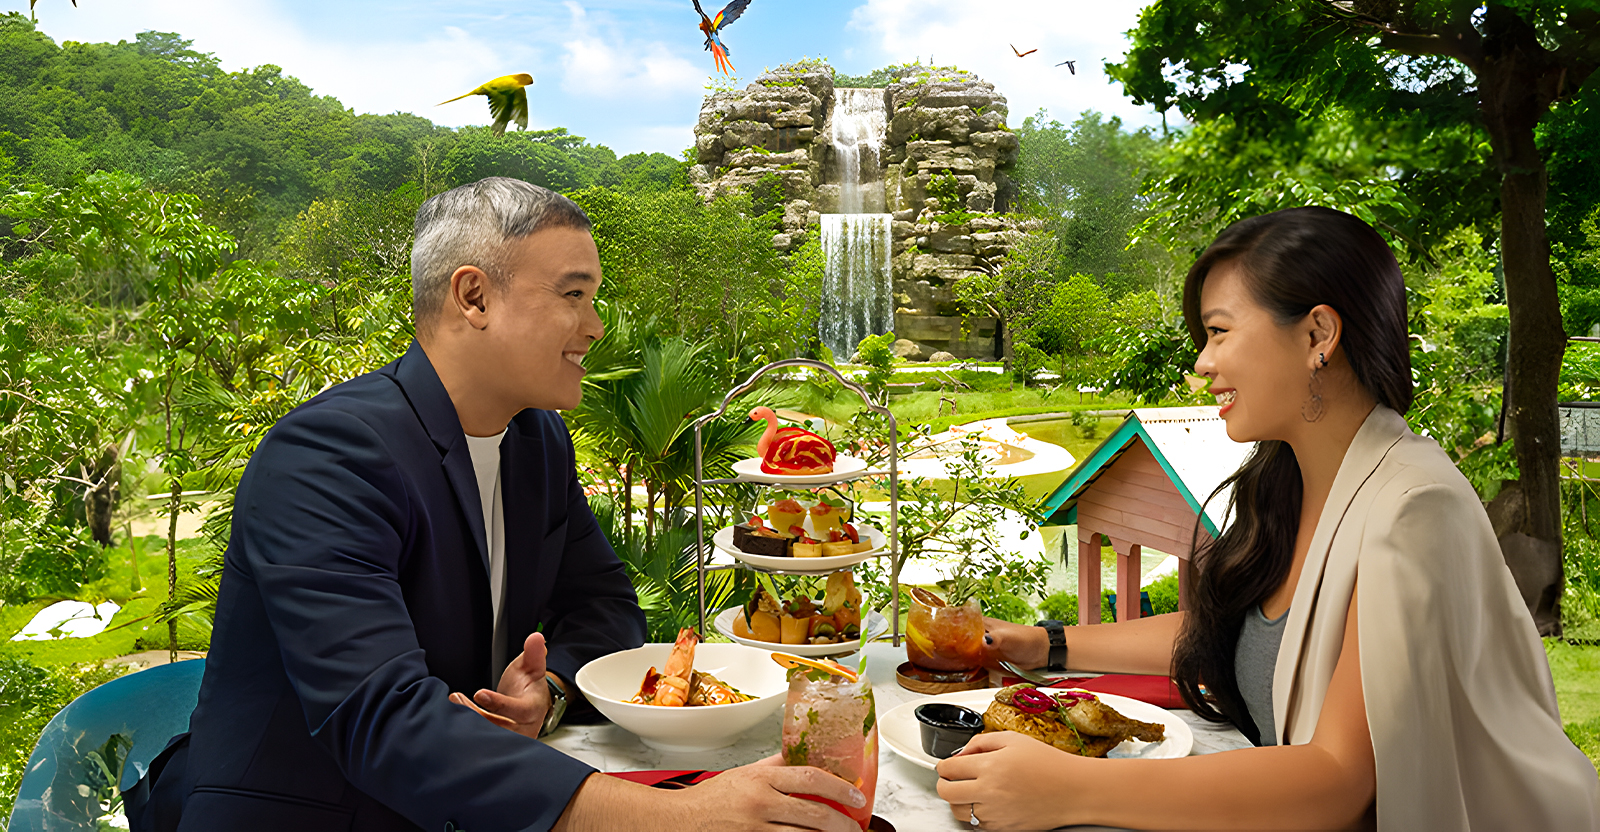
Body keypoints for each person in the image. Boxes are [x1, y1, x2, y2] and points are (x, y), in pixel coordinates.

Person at [127, 177, 863, 832]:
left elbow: (603, 603)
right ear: (473, 296)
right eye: (573, 295)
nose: (596, 326)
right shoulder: (329, 457)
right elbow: (382, 722)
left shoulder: (534, 440)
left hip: (469, 798)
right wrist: (679, 816)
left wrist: (546, 690)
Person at [944, 207, 1600, 831]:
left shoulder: (1414, 510)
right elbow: (1235, 635)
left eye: (1219, 332)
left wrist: (1066, 790)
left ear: (1319, 335)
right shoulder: (1295, 480)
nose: (1203, 364)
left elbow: (1339, 784)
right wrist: (1048, 645)